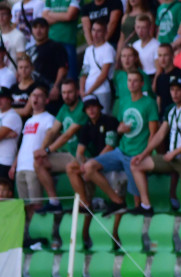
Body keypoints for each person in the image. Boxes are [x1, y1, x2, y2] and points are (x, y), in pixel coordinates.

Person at [85, 70, 160, 216]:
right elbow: (119, 127)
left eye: (135, 80)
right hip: (121, 150)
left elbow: (153, 133)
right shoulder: (124, 101)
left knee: (138, 202)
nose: (131, 84)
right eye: (129, 80)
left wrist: (145, 154)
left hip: (136, 154)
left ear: (142, 84)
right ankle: (117, 201)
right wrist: (121, 129)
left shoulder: (149, 103)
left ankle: (139, 231)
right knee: (89, 167)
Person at [129, 74, 181, 216]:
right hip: (170, 158)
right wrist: (144, 154)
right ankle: (146, 205)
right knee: (136, 164)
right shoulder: (170, 110)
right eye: (172, 90)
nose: (174, 93)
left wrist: (174, 152)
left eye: (178, 90)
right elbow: (160, 135)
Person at [33, 79, 86, 214]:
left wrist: (47, 150)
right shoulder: (64, 109)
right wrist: (41, 150)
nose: (66, 96)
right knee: (39, 162)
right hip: (68, 155)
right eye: (64, 93)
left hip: (83, 155)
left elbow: (67, 135)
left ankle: (83, 204)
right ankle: (54, 202)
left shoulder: (82, 109)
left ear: (77, 92)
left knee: (70, 166)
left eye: (70, 92)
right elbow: (52, 131)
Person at [65, 95, 120, 218]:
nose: (91, 110)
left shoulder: (110, 121)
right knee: (71, 167)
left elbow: (110, 146)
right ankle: (84, 204)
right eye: (88, 108)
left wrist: (91, 163)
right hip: (97, 160)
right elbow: (79, 152)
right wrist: (82, 164)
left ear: (99, 107)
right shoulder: (86, 126)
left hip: (113, 157)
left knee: (89, 168)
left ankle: (117, 201)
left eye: (93, 107)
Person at [12, 85, 56, 218]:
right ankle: (28, 236)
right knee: (24, 206)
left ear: (46, 100)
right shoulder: (28, 121)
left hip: (34, 166)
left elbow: (52, 135)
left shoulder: (49, 118)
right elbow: (24, 144)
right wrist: (14, 165)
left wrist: (43, 151)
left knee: (36, 205)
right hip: (21, 167)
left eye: (39, 96)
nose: (35, 98)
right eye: (33, 95)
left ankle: (38, 235)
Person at [28, 18, 69, 107]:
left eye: (41, 27)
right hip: (33, 93)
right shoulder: (30, 50)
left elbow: (63, 68)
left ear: (48, 29)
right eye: (35, 27)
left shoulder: (56, 47)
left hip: (50, 92)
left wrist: (56, 86)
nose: (38, 31)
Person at [80, 20, 116, 114]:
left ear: (105, 32)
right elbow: (84, 72)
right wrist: (82, 89)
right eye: (93, 30)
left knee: (104, 115)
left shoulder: (108, 49)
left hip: (102, 90)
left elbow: (104, 74)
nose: (95, 34)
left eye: (99, 31)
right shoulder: (89, 50)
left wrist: (88, 91)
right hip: (88, 90)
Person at [43, 0, 82, 83]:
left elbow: (69, 16)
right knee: (52, 76)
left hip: (68, 41)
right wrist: (64, 16)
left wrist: (50, 14)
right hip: (51, 41)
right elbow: (44, 18)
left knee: (70, 77)